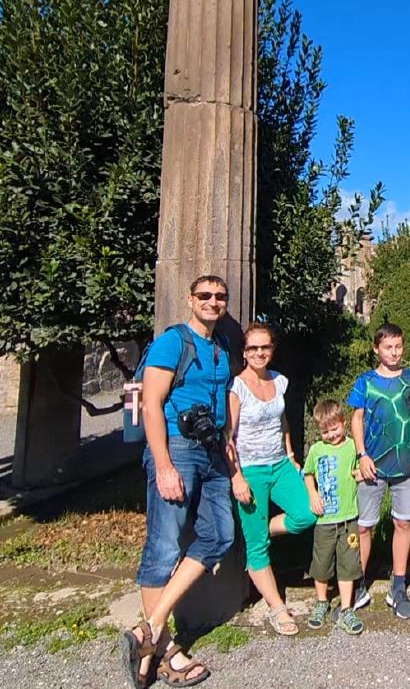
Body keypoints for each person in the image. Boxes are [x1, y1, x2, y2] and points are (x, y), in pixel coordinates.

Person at [120, 275, 234, 689]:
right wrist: (164, 464)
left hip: (213, 452)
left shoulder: (221, 346)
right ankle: (166, 649)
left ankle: (148, 629)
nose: (212, 302)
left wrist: (226, 442)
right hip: (178, 449)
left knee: (220, 534)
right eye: (204, 295)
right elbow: (152, 404)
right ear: (190, 299)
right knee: (164, 546)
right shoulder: (173, 342)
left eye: (220, 296)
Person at [225, 322, 316, 636]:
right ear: (244, 352)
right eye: (253, 348)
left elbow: (283, 421)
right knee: (258, 548)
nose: (259, 353)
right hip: (251, 470)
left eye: (265, 347)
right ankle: (277, 607)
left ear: (272, 349)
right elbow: (228, 436)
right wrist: (237, 477)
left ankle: (262, 531)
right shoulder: (236, 388)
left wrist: (290, 455)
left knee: (308, 513)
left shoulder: (279, 381)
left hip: (279, 465)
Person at [349, 323, 410, 619]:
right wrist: (361, 454)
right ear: (377, 349)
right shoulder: (366, 381)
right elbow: (356, 418)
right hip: (372, 465)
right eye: (388, 347)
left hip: (404, 463)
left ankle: (398, 586)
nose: (394, 353)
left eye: (398, 347)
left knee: (403, 523)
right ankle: (357, 584)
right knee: (364, 526)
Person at [302, 400, 365, 636]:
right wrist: (313, 494)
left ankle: (346, 608)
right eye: (325, 431)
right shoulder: (317, 450)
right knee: (321, 565)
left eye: (335, 428)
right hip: (324, 521)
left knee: (348, 565)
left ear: (344, 423)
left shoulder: (352, 446)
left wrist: (360, 475)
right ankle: (321, 602)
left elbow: (357, 470)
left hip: (349, 519)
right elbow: (308, 474)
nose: (331, 435)